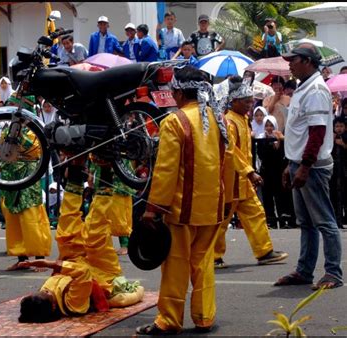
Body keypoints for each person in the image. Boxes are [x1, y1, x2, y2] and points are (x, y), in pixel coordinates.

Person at [135, 66, 227, 335]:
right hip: (212, 206)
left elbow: (166, 170)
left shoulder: (175, 121)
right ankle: (203, 316)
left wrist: (153, 209)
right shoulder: (217, 117)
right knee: (203, 262)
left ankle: (169, 320)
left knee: (175, 265)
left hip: (182, 208)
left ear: (179, 92)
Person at [18, 157, 143, 323]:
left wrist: (61, 258)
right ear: (54, 307)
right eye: (47, 294)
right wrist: (49, 264)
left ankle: (75, 168)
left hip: (75, 260)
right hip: (101, 271)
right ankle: (105, 167)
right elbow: (82, 274)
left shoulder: (42, 298)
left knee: (65, 231)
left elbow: (62, 272)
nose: (47, 290)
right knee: (94, 231)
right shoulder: (73, 305)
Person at [275, 43, 343, 290]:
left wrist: (304, 166)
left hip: (311, 166)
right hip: (300, 163)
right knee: (306, 222)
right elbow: (301, 133)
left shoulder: (315, 89)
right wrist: (291, 164)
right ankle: (304, 271)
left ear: (307, 61)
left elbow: (316, 134)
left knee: (324, 221)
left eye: (293, 59)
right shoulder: (305, 87)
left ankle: (333, 273)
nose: (289, 64)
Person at [214, 77, 288, 269]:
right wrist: (249, 172)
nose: (250, 105)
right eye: (246, 101)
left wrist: (248, 172)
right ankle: (213, 256)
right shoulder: (229, 122)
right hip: (230, 180)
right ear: (235, 102)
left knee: (256, 213)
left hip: (242, 180)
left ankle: (264, 251)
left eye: (250, 101)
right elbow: (230, 151)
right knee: (222, 219)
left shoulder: (241, 119)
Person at [0, 118, 52, 271]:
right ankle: (22, 259)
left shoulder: (34, 129)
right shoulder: (8, 129)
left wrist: (19, 135)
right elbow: (3, 149)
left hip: (28, 174)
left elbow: (35, 149)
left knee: (30, 215)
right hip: (10, 176)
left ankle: (39, 259)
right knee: (13, 215)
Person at [330, 117, 346, 229]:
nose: (339, 129)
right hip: (334, 172)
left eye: (341, 126)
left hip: (344, 171)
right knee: (334, 195)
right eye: (337, 126)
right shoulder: (330, 138)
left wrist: (343, 144)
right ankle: (336, 219)